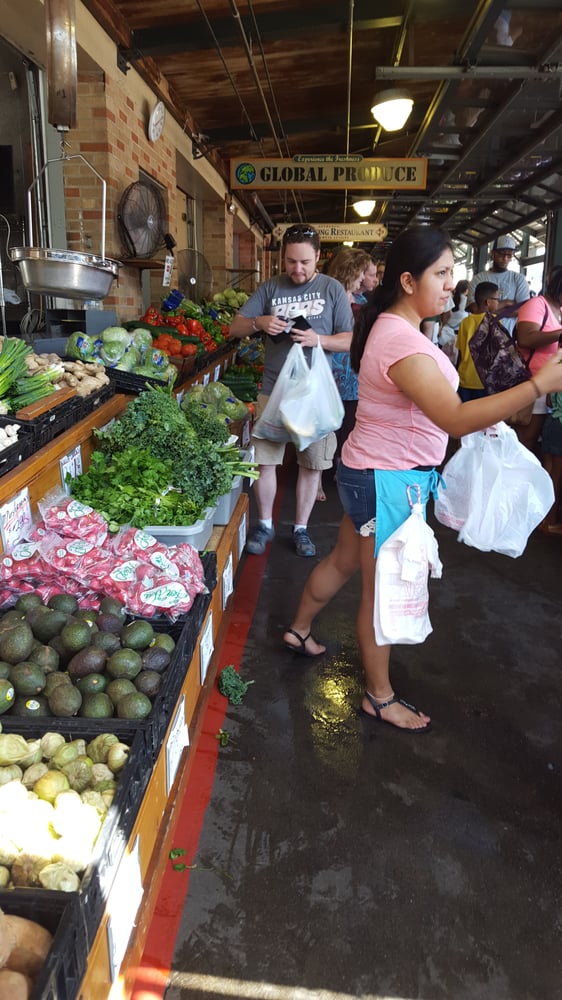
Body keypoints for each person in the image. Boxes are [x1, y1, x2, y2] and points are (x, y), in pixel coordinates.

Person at [282, 226, 562, 732]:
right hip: (386, 479)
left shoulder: (397, 328)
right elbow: (454, 417)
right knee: (379, 591)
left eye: (453, 273)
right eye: (442, 274)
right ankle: (379, 696)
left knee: (345, 559)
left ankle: (299, 630)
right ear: (408, 281)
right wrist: (538, 385)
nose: (451, 284)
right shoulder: (397, 338)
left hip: (371, 471)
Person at [229, 224, 354, 557]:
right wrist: (259, 323)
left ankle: (301, 529)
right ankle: (265, 524)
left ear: (317, 258)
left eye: (304, 262)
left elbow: (351, 338)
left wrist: (320, 340)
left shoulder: (332, 289)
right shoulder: (270, 287)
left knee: (311, 463)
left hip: (315, 395)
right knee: (265, 461)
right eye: (290, 262)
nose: (297, 269)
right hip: (273, 390)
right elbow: (234, 326)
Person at [325, 249, 375, 484]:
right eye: (362, 272)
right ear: (352, 270)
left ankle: (339, 467)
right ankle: (319, 473)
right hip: (332, 365)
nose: (363, 277)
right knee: (327, 421)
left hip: (354, 369)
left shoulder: (362, 300)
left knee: (349, 421)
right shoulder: (328, 296)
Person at [512, 264, 562, 453]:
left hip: (551, 388)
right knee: (527, 438)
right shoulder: (537, 304)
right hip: (533, 381)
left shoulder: (559, 309)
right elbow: (525, 338)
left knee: (539, 440)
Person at [466, 235, 529, 333]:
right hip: (481, 337)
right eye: (501, 254)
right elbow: (475, 308)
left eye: (509, 255)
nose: (505, 259)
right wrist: (507, 303)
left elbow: (524, 309)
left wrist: (488, 310)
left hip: (508, 338)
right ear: (493, 253)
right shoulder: (478, 279)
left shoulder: (519, 279)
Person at [455, 281, 501, 401]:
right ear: (488, 302)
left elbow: (460, 352)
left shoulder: (465, 322)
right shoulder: (495, 322)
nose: (498, 303)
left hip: (464, 378)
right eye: (497, 299)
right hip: (484, 380)